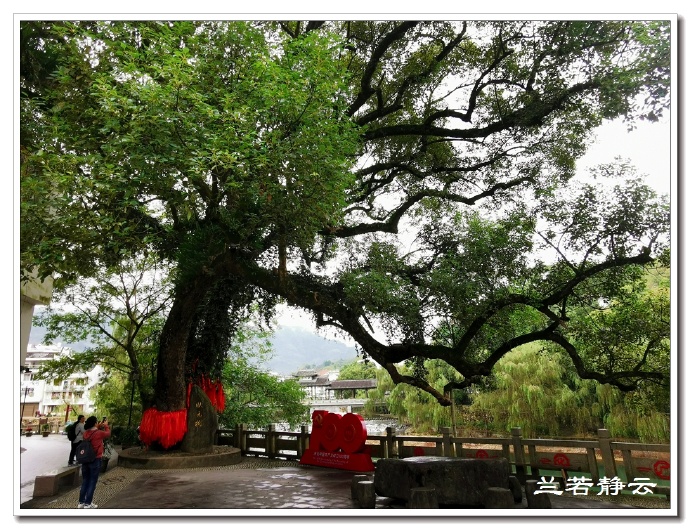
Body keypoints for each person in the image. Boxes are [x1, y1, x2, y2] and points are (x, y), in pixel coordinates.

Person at [77, 415, 110, 509]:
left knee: (85, 481)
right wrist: (106, 425)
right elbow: (107, 433)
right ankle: (88, 503)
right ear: (95, 423)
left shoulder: (86, 433)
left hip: (85, 459)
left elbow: (93, 432)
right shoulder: (99, 433)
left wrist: (97, 426)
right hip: (95, 459)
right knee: (92, 481)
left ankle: (81, 502)